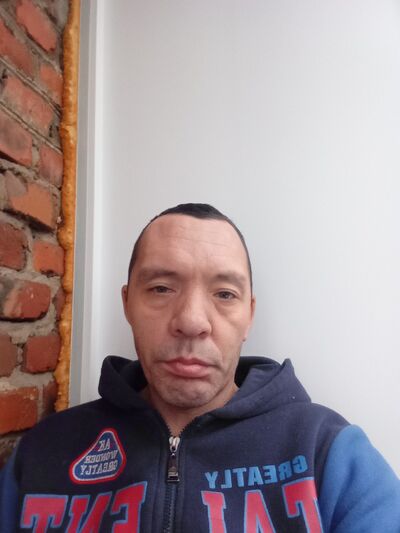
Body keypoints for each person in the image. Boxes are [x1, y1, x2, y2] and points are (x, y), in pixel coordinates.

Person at [0, 203, 399, 532]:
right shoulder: (43, 455)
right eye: (161, 288)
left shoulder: (329, 453)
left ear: (249, 315)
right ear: (127, 304)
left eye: (224, 294)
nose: (192, 321)